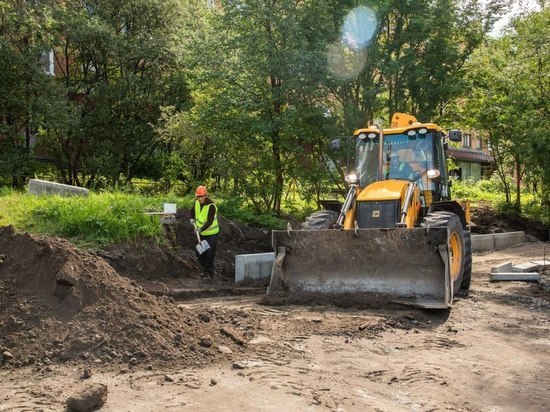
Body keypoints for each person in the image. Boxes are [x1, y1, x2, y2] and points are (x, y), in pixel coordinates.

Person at [189, 185, 220, 278]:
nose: (200, 198)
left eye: (202, 196)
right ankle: (208, 269)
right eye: (198, 196)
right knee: (199, 251)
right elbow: (192, 212)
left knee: (210, 252)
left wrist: (200, 229)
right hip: (201, 234)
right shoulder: (197, 203)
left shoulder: (211, 206)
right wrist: (191, 218)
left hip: (212, 233)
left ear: (206, 195)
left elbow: (210, 221)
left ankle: (208, 272)